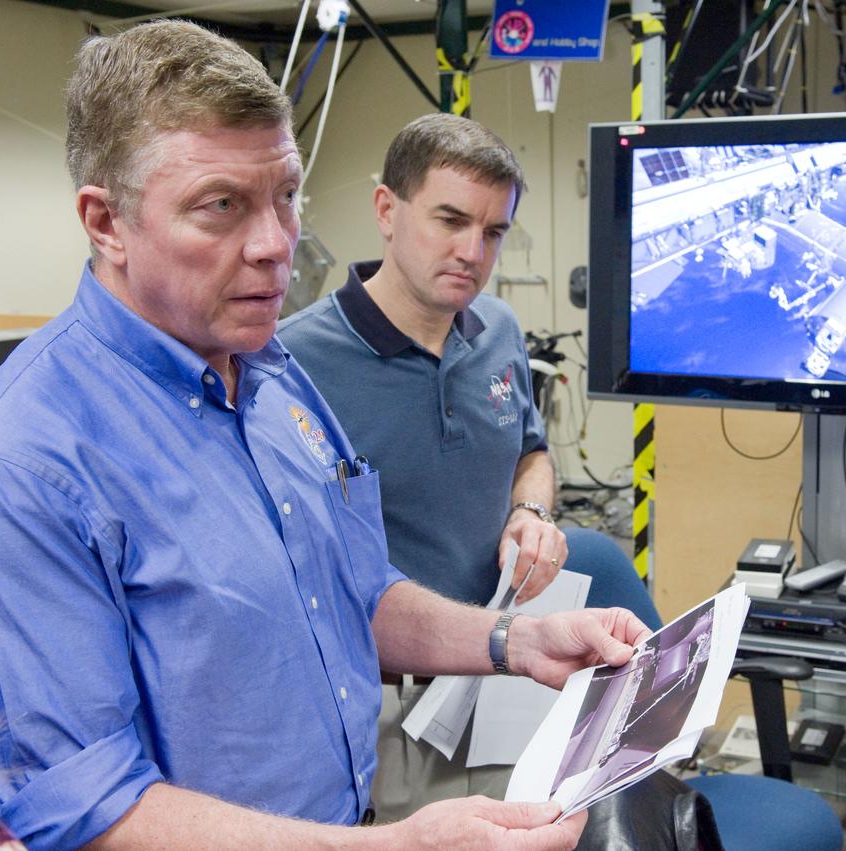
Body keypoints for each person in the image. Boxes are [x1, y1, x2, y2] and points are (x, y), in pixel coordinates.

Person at [0, 21, 649, 851]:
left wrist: (513, 639)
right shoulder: (12, 471)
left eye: (286, 196)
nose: (276, 245)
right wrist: (399, 848)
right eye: (221, 206)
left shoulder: (267, 377)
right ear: (106, 222)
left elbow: (356, 593)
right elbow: (87, 813)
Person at [278, 114, 661, 821]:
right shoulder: (293, 365)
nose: (471, 251)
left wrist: (532, 510)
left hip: (508, 661)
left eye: (493, 231)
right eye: (450, 220)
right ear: (386, 210)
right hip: (391, 700)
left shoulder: (499, 331)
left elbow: (532, 452)